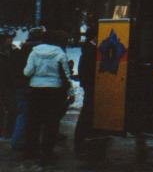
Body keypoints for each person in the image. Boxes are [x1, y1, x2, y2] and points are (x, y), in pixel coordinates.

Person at [23, 29, 71, 162]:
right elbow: (66, 74)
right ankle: (47, 152)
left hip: (36, 90)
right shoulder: (60, 53)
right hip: (53, 91)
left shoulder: (34, 51)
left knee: (33, 121)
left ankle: (31, 150)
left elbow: (27, 72)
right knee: (51, 122)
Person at [10, 27, 44, 150]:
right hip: (34, 85)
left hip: (19, 85)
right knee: (35, 115)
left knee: (22, 114)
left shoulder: (19, 49)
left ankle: (17, 141)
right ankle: (30, 142)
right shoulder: (40, 50)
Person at [74, 26, 97, 155]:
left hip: (87, 82)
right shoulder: (90, 49)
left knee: (88, 109)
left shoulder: (88, 48)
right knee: (87, 110)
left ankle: (83, 135)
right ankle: (81, 136)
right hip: (90, 83)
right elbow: (87, 68)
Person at [0, 31, 15, 137]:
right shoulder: (6, 53)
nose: (11, 41)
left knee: (11, 108)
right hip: (5, 84)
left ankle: (8, 131)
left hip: (8, 84)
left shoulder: (13, 51)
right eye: (8, 39)